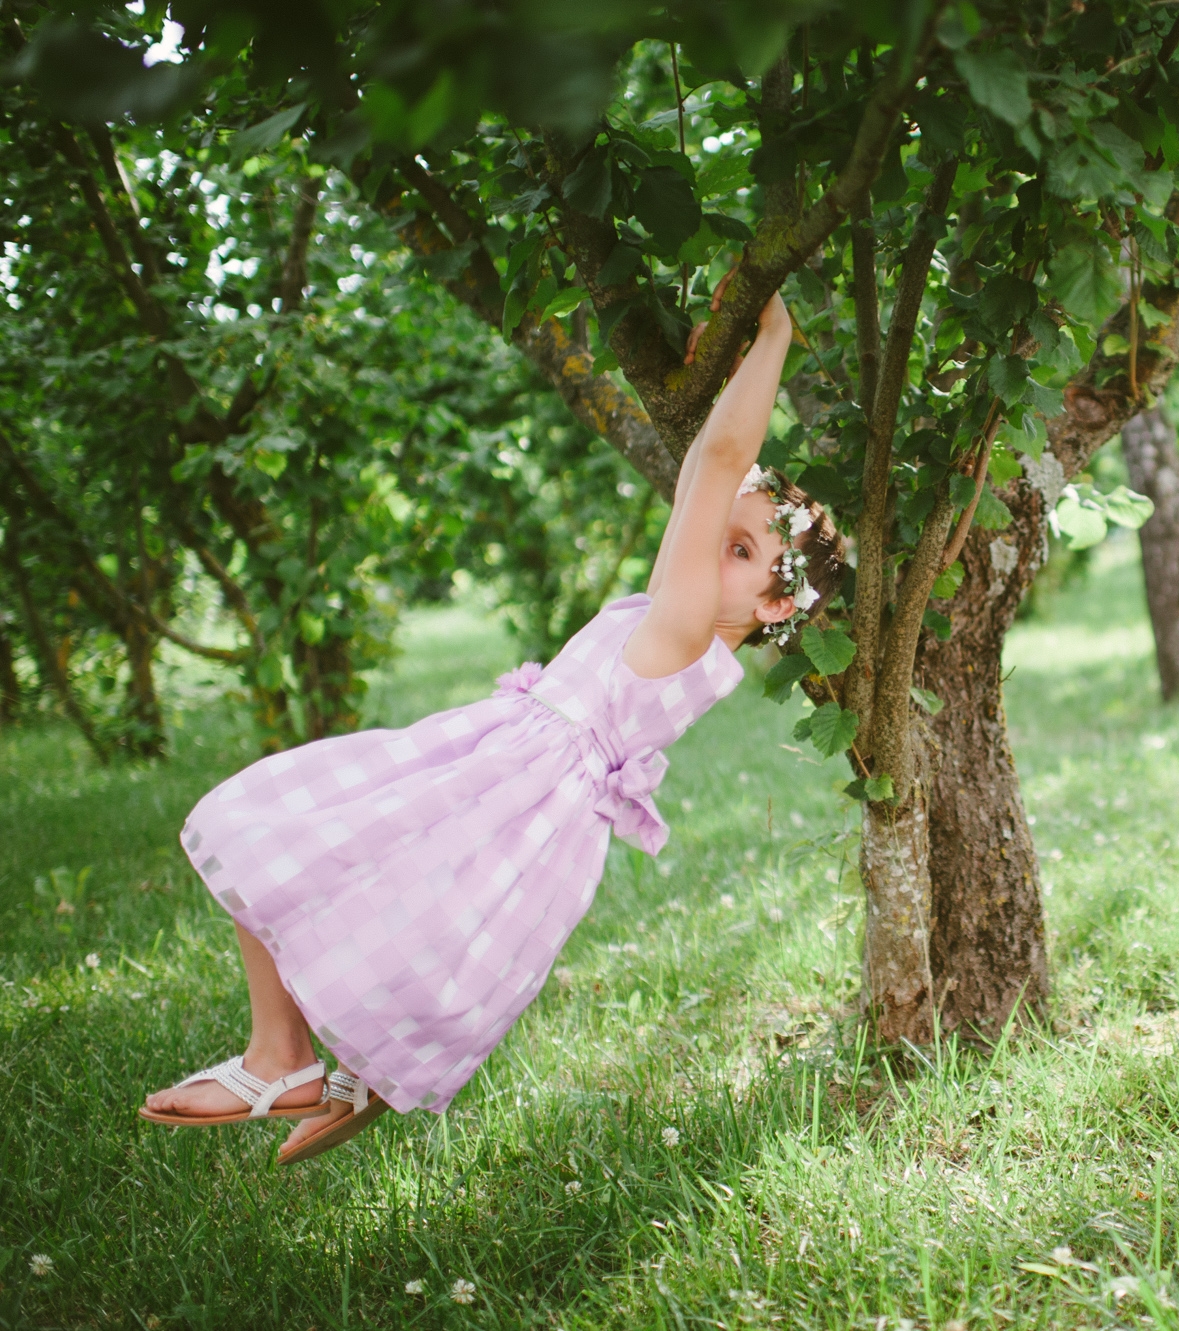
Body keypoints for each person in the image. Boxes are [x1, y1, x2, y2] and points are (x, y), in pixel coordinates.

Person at [139, 287, 843, 1165]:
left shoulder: (686, 628)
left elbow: (719, 462)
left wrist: (773, 329)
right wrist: (732, 375)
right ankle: (328, 1068)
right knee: (339, 866)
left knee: (316, 853)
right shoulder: (689, 605)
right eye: (723, 534)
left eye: (740, 550)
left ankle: (283, 1058)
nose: (709, 542)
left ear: (777, 600)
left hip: (513, 790)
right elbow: (712, 457)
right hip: (505, 776)